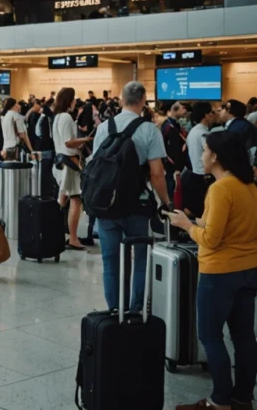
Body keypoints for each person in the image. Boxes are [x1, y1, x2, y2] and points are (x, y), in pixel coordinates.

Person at [170, 133, 257, 410]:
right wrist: (194, 219)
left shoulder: (220, 189)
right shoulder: (250, 186)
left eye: (205, 150)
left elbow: (211, 239)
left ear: (216, 156)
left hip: (218, 272)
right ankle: (243, 397)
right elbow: (227, 226)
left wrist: (185, 225)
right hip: (248, 269)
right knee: (244, 336)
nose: (202, 155)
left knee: (210, 335)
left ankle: (219, 401)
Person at [90, 81, 172, 312]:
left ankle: (115, 309)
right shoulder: (149, 129)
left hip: (107, 203)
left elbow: (96, 165)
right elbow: (157, 173)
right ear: (143, 101)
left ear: (121, 99)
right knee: (141, 258)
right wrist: (166, 202)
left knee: (110, 260)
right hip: (137, 204)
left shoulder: (105, 127)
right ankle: (136, 310)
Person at [50, 88, 90, 250]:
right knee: (76, 200)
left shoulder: (57, 117)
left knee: (62, 200)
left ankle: (55, 233)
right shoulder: (66, 117)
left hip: (61, 162)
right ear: (69, 100)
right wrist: (85, 139)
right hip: (70, 163)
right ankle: (73, 238)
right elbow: (68, 142)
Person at [181, 102, 216, 219]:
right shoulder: (203, 133)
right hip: (202, 176)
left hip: (193, 174)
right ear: (206, 115)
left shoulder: (193, 131)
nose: (213, 115)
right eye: (211, 112)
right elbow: (210, 154)